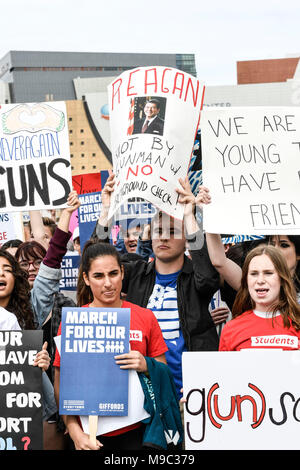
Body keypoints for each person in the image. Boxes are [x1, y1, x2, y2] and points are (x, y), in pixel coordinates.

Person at [92, 172, 220, 403]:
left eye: (173, 232)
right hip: (144, 393)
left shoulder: (196, 278)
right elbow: (96, 257)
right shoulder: (135, 273)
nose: (163, 238)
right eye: (158, 231)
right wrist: (106, 212)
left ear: (186, 240)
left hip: (189, 394)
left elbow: (209, 279)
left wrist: (189, 215)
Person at [53, 241, 168, 451]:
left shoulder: (145, 317)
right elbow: (62, 383)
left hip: (138, 432)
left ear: (122, 272)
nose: (108, 283)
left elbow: (164, 373)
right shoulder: (73, 321)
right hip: (89, 435)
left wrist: (145, 364)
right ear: (86, 279)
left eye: (113, 273)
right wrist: (74, 430)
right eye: (98, 276)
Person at [219, 244, 300, 351]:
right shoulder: (231, 329)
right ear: (246, 280)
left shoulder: (297, 323)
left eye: (268, 273)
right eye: (254, 274)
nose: (260, 280)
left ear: (282, 279)